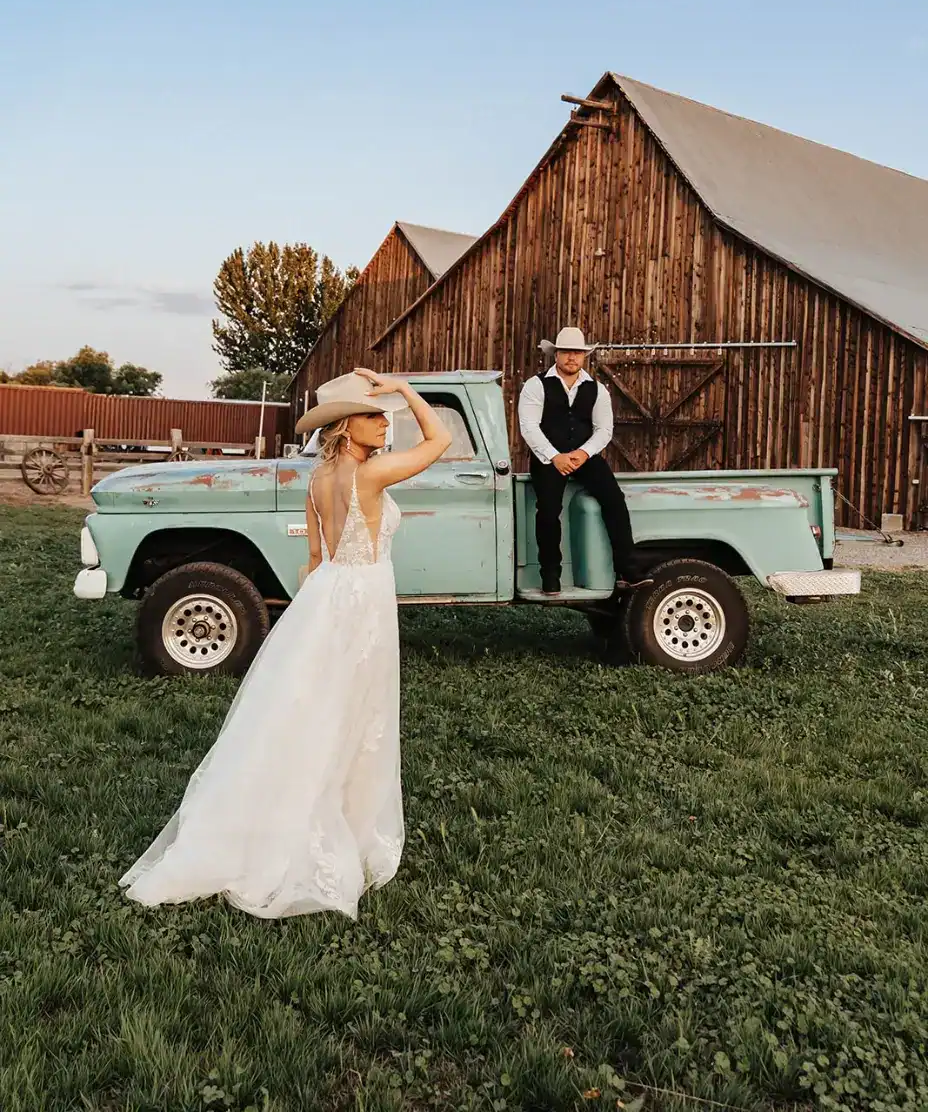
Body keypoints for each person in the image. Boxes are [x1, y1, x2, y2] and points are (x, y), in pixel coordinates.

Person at [119, 368, 451, 920]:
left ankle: (299, 807)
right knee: (353, 713)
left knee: (311, 709)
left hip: (326, 597)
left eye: (384, 415)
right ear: (346, 427)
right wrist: (406, 389)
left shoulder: (317, 481)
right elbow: (439, 441)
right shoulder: (368, 477)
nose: (383, 425)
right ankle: (331, 820)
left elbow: (315, 560)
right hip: (363, 598)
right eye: (373, 417)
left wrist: (313, 621)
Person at [518, 326, 651, 597]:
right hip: (548, 457)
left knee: (614, 499)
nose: (572, 357)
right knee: (547, 510)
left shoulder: (597, 389)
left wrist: (583, 454)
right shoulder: (536, 385)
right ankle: (551, 575)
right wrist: (555, 457)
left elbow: (604, 429)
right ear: (556, 354)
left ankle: (628, 569)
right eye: (566, 352)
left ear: (584, 356)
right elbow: (528, 426)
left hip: (584, 455)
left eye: (577, 352)